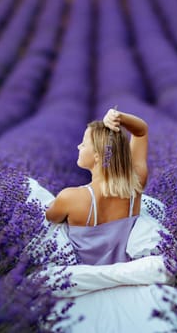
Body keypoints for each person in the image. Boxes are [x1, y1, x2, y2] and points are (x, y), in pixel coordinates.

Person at [45, 107, 148, 265]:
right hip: (123, 273)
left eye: (84, 144)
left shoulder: (70, 197)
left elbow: (50, 217)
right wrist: (120, 117)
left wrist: (55, 203)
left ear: (98, 156)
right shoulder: (135, 184)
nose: (79, 146)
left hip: (84, 279)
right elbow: (141, 131)